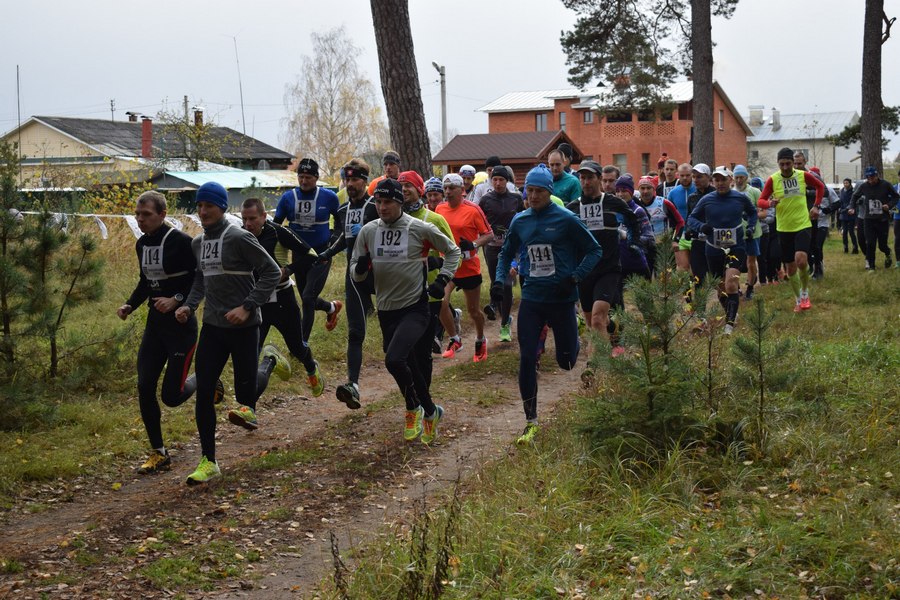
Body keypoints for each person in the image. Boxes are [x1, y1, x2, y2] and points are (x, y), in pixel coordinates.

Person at [174, 182, 282, 485]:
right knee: (204, 391)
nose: (202, 211)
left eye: (208, 205)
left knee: (246, 392)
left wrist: (247, 307)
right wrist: (189, 305)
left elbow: (272, 272)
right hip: (213, 326)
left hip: (244, 327)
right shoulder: (198, 243)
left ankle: (269, 362)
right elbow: (200, 279)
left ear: (222, 207)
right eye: (199, 205)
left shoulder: (239, 237)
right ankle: (208, 461)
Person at [493, 164, 602, 444]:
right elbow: (505, 254)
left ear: (549, 192)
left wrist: (575, 277)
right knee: (527, 357)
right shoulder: (520, 221)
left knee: (566, 362)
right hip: (532, 298)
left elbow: (594, 250)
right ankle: (531, 421)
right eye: (529, 191)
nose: (533, 196)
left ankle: (575, 328)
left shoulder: (566, 219)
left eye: (539, 191)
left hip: (562, 299)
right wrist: (499, 280)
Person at [349, 179, 461, 444]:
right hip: (386, 309)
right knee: (408, 364)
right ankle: (431, 411)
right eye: (378, 202)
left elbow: (453, 251)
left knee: (394, 360)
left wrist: (443, 279)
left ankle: (413, 408)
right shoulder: (368, 231)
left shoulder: (418, 227)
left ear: (399, 202)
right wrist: (361, 269)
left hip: (415, 307)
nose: (382, 207)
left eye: (388, 202)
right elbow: (354, 269)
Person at [117, 190, 219, 475]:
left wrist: (177, 299)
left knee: (172, 397)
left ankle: (206, 379)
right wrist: (130, 304)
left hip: (181, 327)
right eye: (137, 214)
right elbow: (145, 282)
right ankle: (159, 452)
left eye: (146, 214)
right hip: (155, 327)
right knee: (144, 385)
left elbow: (199, 279)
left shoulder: (181, 242)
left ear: (162, 215)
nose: (140, 219)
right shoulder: (141, 244)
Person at [239, 197, 325, 399]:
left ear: (263, 216)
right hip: (256, 301)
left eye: (252, 219)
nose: (248, 224)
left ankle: (311, 368)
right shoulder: (241, 236)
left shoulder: (278, 232)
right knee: (251, 354)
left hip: (282, 300)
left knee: (296, 347)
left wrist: (288, 270)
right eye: (244, 219)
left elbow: (312, 255)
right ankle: (249, 403)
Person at [315, 159, 380, 409]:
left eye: (355, 179)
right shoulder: (343, 210)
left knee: (392, 331)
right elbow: (343, 237)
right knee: (355, 332)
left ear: (365, 181)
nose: (350, 184)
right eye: (347, 179)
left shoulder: (376, 206)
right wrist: (326, 254)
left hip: (381, 275)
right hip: (354, 275)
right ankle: (353, 384)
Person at [566, 160, 641, 356]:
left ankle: (596, 365)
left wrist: (633, 242)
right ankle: (610, 331)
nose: (586, 182)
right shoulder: (573, 208)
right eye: (583, 178)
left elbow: (634, 220)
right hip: (584, 271)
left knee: (597, 318)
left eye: (590, 177)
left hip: (609, 268)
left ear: (599, 179)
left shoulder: (613, 203)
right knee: (592, 322)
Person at [274, 157, 343, 340]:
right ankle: (331, 308)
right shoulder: (288, 198)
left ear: (316, 178)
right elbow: (275, 227)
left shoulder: (329, 197)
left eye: (308, 177)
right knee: (308, 299)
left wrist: (333, 240)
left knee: (307, 298)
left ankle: (302, 343)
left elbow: (340, 221)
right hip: (299, 255)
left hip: (321, 254)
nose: (304, 181)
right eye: (301, 177)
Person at [398, 169, 456, 381]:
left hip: (428, 294)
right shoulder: (391, 218)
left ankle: (422, 392)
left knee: (422, 351)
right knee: (401, 351)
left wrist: (440, 272)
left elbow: (454, 253)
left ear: (419, 190)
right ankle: (413, 390)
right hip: (399, 293)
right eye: (400, 186)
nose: (404, 190)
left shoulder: (434, 219)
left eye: (408, 186)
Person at [687, 167, 758, 335]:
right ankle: (731, 313)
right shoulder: (707, 199)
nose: (720, 183)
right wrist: (701, 226)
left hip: (736, 246)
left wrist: (751, 227)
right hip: (713, 248)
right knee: (720, 288)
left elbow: (753, 212)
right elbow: (691, 218)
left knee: (731, 284)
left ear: (730, 180)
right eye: (717, 180)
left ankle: (729, 326)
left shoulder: (740, 198)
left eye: (723, 180)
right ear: (713, 181)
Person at [757, 147, 826, 312]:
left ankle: (805, 292)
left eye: (788, 163)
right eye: (782, 164)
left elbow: (820, 186)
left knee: (801, 260)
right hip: (783, 228)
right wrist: (769, 203)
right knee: (791, 267)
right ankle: (798, 299)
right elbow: (760, 201)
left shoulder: (802, 175)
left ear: (793, 163)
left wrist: (816, 206)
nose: (785, 167)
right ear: (778, 163)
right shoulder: (773, 179)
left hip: (802, 224)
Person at [435, 173, 494, 362]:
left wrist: (473, 244)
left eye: (452, 188)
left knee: (473, 311)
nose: (448, 192)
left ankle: (480, 339)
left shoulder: (473, 209)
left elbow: (489, 234)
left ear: (462, 190)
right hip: (449, 265)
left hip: (468, 267)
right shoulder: (440, 208)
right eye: (445, 188)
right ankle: (455, 339)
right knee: (440, 302)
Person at [478, 165, 526, 342]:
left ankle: (504, 324)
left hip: (511, 248)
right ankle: (504, 316)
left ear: (507, 181)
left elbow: (523, 219)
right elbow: (478, 221)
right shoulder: (485, 200)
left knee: (506, 285)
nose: (498, 183)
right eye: (495, 180)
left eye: (501, 180)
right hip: (492, 248)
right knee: (497, 285)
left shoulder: (516, 199)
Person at [851, 166, 899, 271]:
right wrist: (852, 207)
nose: (870, 179)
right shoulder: (864, 186)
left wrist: (889, 205)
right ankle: (871, 266)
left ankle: (887, 253)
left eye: (872, 177)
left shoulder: (886, 185)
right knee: (870, 243)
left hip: (882, 219)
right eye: (868, 177)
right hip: (869, 219)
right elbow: (854, 196)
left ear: (877, 175)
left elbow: (896, 197)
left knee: (882, 245)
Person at [635, 175, 684, 275]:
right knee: (645, 278)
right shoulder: (635, 205)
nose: (645, 191)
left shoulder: (664, 203)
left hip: (663, 246)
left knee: (664, 278)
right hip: (644, 246)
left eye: (648, 188)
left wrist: (675, 240)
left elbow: (680, 222)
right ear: (638, 189)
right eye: (642, 188)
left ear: (654, 189)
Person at [733, 164, 762, 298]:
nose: (739, 180)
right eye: (737, 177)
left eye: (742, 177)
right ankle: (736, 288)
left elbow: (764, 213)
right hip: (735, 233)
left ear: (746, 178)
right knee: (735, 262)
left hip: (752, 233)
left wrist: (751, 215)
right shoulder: (731, 192)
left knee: (751, 262)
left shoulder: (755, 192)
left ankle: (750, 288)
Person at [667, 163, 696, 273]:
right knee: (682, 268)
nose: (684, 178)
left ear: (692, 175)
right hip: (680, 234)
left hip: (696, 233)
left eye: (687, 175)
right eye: (682, 175)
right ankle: (684, 286)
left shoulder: (698, 189)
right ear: (677, 175)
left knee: (697, 269)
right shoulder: (673, 193)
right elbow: (669, 216)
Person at [838, 177, 859, 254]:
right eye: (844, 183)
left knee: (851, 231)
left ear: (850, 183)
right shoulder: (841, 191)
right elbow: (840, 201)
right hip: (843, 214)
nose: (845, 184)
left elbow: (853, 202)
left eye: (847, 183)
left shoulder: (853, 192)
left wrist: (847, 209)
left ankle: (855, 247)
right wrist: (840, 208)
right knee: (844, 232)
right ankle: (845, 247)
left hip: (850, 213)